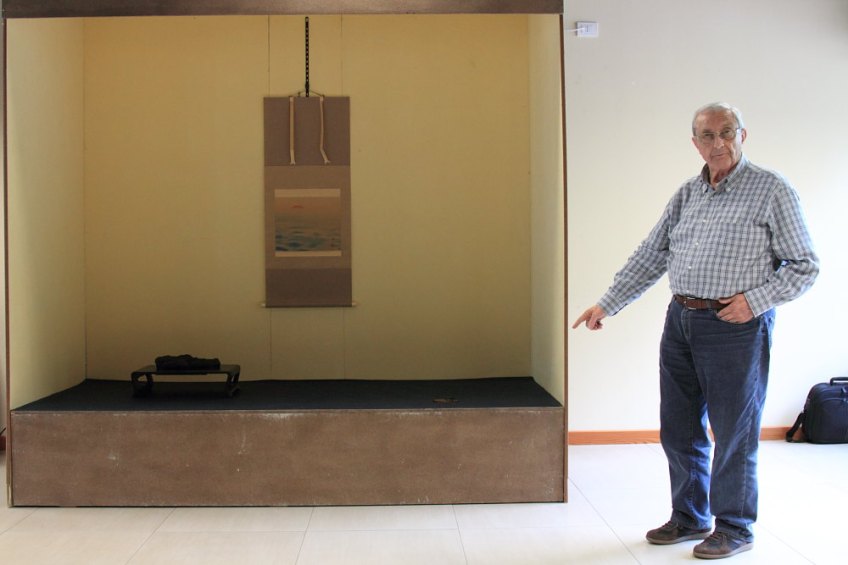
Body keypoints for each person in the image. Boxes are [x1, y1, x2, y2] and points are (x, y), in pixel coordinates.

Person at [572, 102, 818, 560]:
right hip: (681, 320)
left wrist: (754, 302)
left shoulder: (771, 189)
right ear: (695, 143)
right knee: (679, 427)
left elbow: (805, 265)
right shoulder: (688, 194)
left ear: (743, 135)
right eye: (707, 135)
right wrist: (608, 302)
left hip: (735, 327)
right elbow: (652, 253)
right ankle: (689, 516)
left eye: (727, 132)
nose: (718, 142)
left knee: (733, 432)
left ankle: (735, 528)